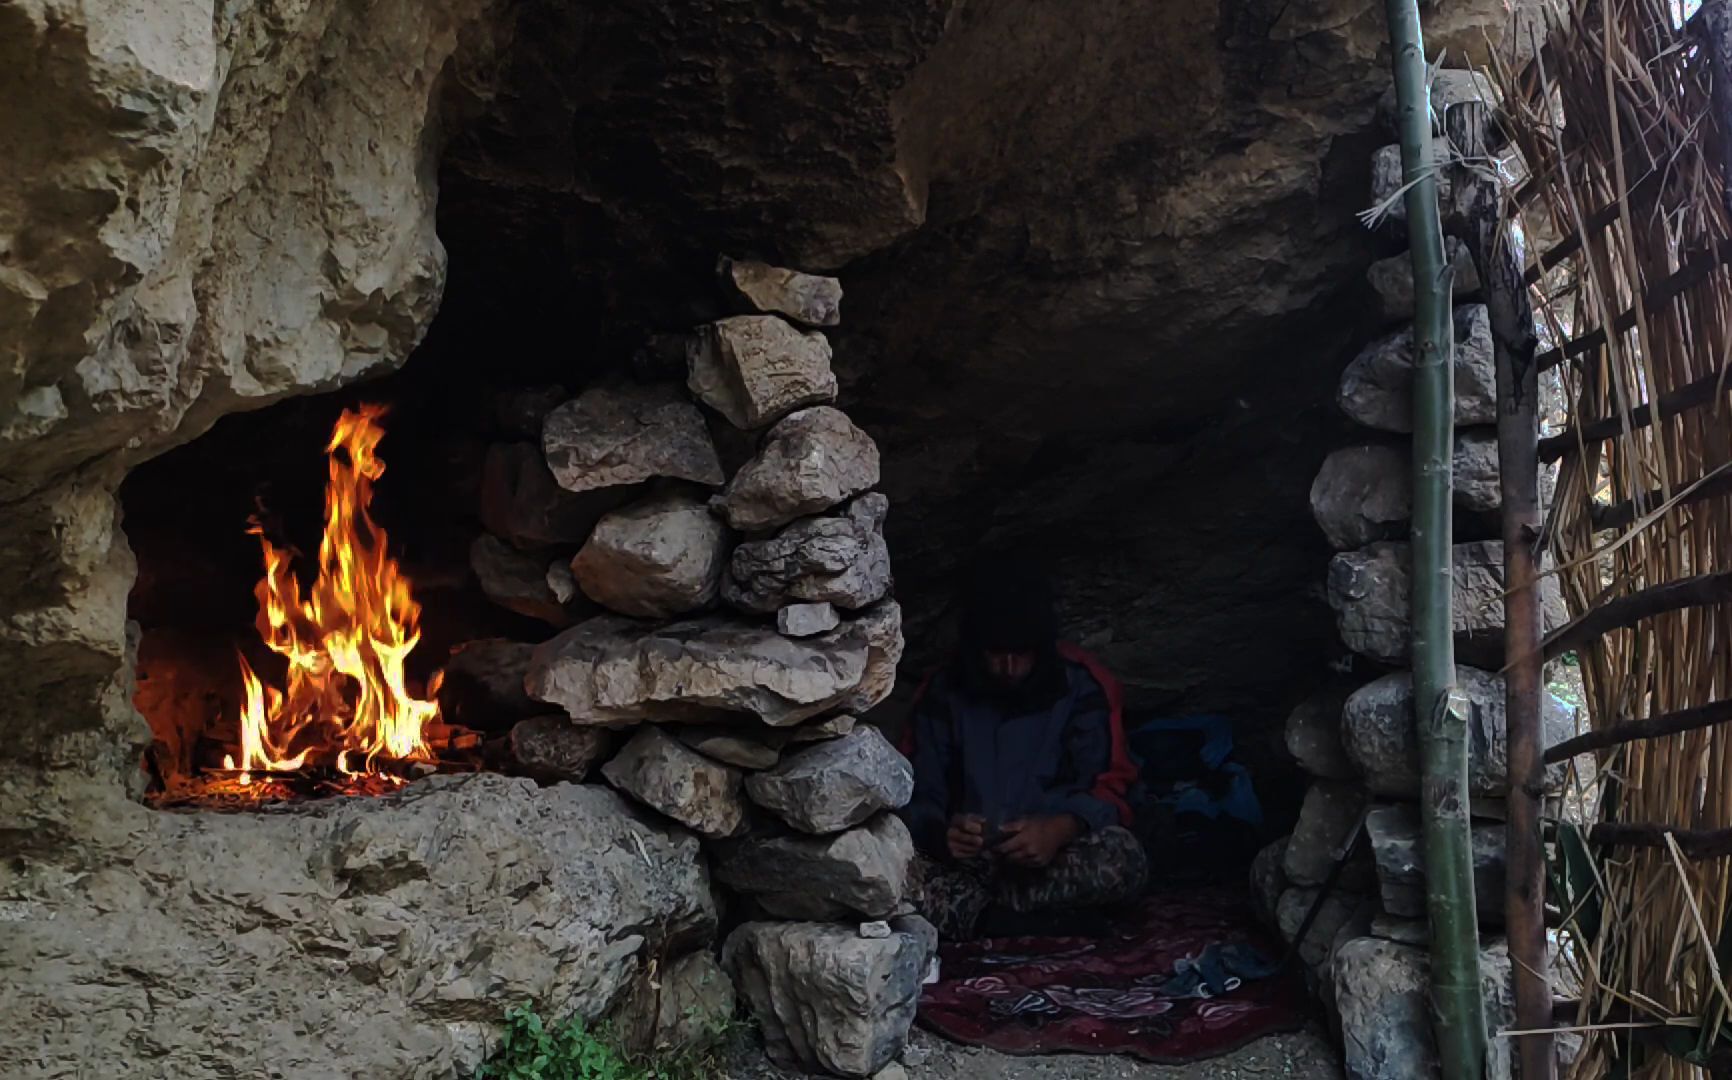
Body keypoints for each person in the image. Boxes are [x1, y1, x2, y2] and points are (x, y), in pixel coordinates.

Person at [899, 557, 1148, 941]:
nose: (1009, 667)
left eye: (1022, 653)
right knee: (893, 872)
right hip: (967, 865)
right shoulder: (943, 691)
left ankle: (986, 922)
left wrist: (1061, 828)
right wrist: (941, 834)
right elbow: (913, 788)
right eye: (996, 653)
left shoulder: (1082, 685)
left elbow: (1114, 787)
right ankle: (1016, 923)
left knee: (1122, 857)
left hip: (1051, 858)